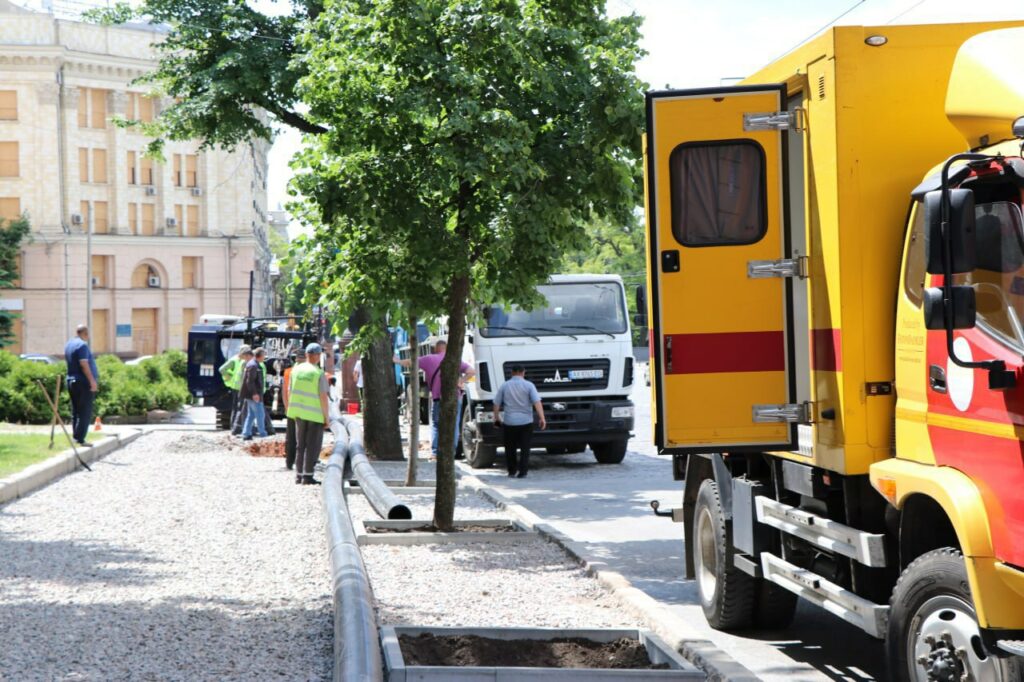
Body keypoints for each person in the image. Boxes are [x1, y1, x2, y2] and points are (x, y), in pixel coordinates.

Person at [396, 339, 475, 459]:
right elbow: (471, 371)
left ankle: (435, 452)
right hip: (454, 397)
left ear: (435, 349)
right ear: (446, 348)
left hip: (438, 398)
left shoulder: (429, 359)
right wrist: (461, 381)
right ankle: (451, 452)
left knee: (436, 424)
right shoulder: (455, 360)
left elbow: (410, 362)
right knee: (453, 425)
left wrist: (397, 361)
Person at [287, 343, 330, 485]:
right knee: (312, 446)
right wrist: (326, 417)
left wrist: (290, 409)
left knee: (300, 445)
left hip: (298, 413)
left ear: (306, 355)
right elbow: (323, 396)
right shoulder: (318, 373)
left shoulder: (296, 370)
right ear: (317, 356)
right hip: (314, 414)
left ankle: (298, 475)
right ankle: (308, 476)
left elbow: (289, 391)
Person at [493, 364, 546, 478]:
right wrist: (542, 418)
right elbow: (537, 402)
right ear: (523, 372)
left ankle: (512, 471)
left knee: (510, 448)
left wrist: (497, 418)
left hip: (509, 422)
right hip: (526, 422)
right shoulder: (529, 385)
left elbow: (496, 404)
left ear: (512, 373)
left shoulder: (504, 386)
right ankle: (523, 472)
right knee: (525, 447)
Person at [64, 324, 99, 447]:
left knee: (76, 411)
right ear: (85, 334)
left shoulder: (69, 344)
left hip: (71, 380)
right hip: (83, 382)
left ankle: (76, 436)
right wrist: (92, 381)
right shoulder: (82, 345)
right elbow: (84, 364)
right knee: (85, 411)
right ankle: (80, 438)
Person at [282, 347, 306, 470]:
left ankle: (289, 462)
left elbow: (284, 392)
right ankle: (303, 463)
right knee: (304, 437)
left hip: (292, 408)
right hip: (306, 409)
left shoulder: (288, 372)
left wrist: (287, 407)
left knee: (290, 437)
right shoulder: (310, 371)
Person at [219, 344, 250, 433]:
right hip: (239, 387)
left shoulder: (237, 360)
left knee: (236, 407)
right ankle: (236, 427)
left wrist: (230, 376)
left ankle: (234, 426)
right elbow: (222, 369)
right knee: (239, 408)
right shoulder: (237, 360)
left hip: (236, 387)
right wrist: (229, 376)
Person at [240, 347, 268, 440]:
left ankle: (246, 433)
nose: (265, 357)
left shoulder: (254, 364)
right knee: (260, 414)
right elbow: (250, 381)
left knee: (251, 414)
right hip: (253, 395)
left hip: (251, 394)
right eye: (264, 355)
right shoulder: (253, 365)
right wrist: (255, 394)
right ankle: (263, 434)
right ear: (259, 355)